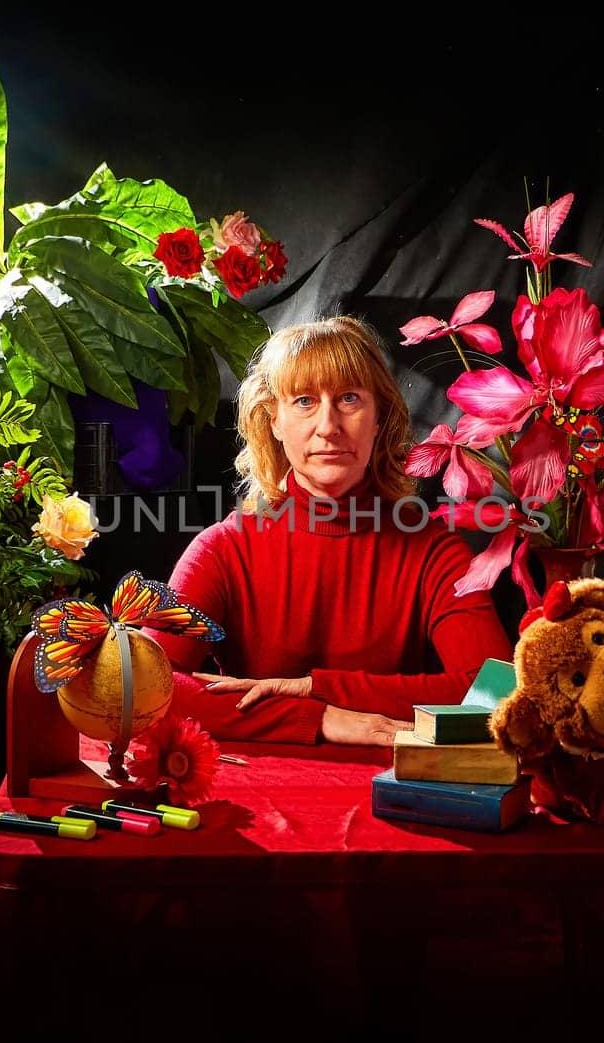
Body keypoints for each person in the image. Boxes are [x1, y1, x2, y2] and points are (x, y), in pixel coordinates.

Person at [153, 315, 513, 746]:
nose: (328, 426)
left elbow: (495, 694)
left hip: (391, 793)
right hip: (247, 795)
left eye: (348, 399)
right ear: (274, 421)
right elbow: (144, 689)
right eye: (304, 401)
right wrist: (320, 719)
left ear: (379, 417)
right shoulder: (222, 550)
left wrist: (318, 687)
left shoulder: (435, 552)